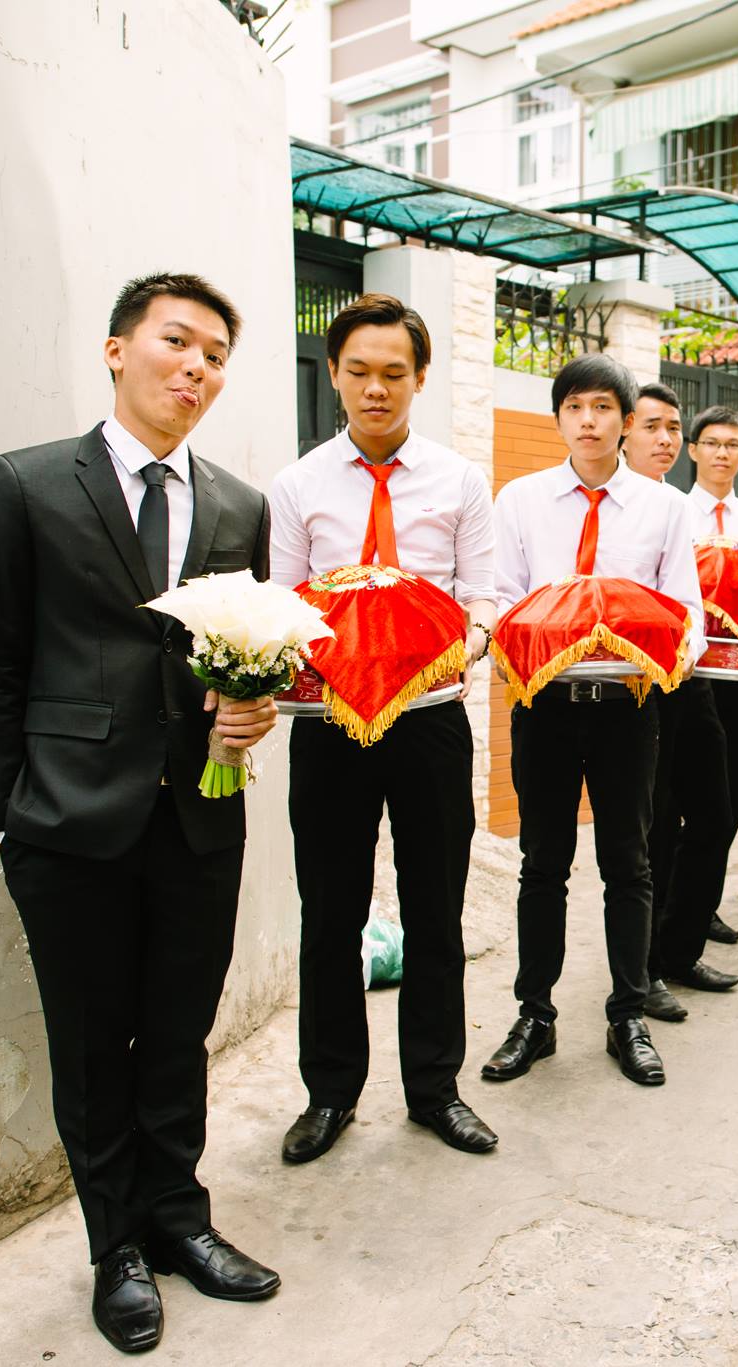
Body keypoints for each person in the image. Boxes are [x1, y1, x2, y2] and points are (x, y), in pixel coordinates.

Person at [0, 273, 283, 1353]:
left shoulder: (239, 505)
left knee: (178, 1032)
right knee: (93, 1041)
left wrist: (249, 711)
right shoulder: (27, 483)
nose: (197, 368)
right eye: (176, 342)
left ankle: (179, 1217)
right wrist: (7, 818)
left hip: (199, 816)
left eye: (215, 355)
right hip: (68, 819)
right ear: (116, 349)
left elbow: (252, 658)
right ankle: (115, 1245)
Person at [268, 294, 500, 1166]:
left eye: (394, 374)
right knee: (329, 912)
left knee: (436, 907)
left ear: (421, 379)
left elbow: (485, 591)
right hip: (329, 726)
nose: (376, 390)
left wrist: (470, 643)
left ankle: (435, 1087)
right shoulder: (298, 486)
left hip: (432, 721)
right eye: (359, 372)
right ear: (333, 374)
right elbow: (285, 604)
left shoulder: (459, 480)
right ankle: (329, 1092)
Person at [484, 356, 706, 1089]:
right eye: (575, 406)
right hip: (544, 707)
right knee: (542, 863)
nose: (589, 420)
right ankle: (535, 1014)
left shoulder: (663, 507)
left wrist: (645, 650)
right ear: (559, 418)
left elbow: (688, 617)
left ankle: (627, 1013)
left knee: (628, 862)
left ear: (624, 419)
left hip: (627, 709)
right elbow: (506, 603)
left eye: (603, 407)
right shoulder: (519, 501)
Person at [622, 392, 738, 1025]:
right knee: (649, 832)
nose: (667, 439)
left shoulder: (677, 506)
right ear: (623, 433)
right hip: (634, 684)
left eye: (674, 428)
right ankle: (640, 970)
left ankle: (679, 947)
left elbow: (691, 600)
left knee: (716, 813)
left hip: (686, 674)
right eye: (654, 428)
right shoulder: (614, 506)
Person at [676, 400, 738, 948]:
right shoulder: (671, 511)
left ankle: (703, 903)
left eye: (732, 444)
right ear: (694, 450)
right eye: (711, 443)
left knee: (731, 795)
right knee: (683, 800)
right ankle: (674, 904)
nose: (722, 453)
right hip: (689, 677)